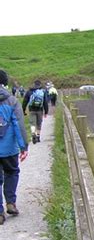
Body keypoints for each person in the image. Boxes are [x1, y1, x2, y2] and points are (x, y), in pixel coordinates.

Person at [0, 70, 29, 225]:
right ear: (5, 83)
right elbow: (19, 125)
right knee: (12, 172)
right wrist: (23, 146)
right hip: (9, 149)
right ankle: (11, 202)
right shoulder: (12, 100)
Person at [22, 80, 49, 144]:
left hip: (31, 110)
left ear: (34, 84)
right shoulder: (43, 91)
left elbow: (25, 101)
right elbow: (45, 102)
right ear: (40, 85)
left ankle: (33, 133)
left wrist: (23, 110)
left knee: (32, 123)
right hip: (40, 110)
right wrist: (46, 112)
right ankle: (38, 136)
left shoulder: (29, 91)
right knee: (39, 123)